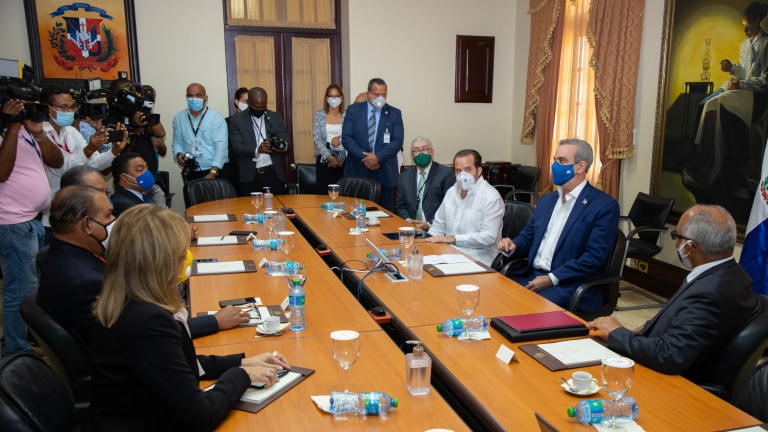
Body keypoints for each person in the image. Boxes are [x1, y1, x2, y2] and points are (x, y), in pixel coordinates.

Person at [88, 205, 290, 430]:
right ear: (163, 261)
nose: (187, 258)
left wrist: (241, 362)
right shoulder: (149, 323)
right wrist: (242, 375)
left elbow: (178, 365)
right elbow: (201, 417)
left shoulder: (128, 302)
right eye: (182, 252)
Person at [589, 205, 760, 382]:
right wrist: (646, 328)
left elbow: (670, 355)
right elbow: (689, 324)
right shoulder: (734, 274)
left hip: (671, 381)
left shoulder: (708, 292)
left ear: (689, 247)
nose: (676, 243)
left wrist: (617, 332)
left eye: (676, 236)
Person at [497, 139, 619, 311]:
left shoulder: (603, 206)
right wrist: (512, 246)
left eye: (562, 161)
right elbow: (528, 236)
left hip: (568, 285)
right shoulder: (547, 200)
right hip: (531, 275)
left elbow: (593, 258)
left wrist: (551, 278)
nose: (555, 166)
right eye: (555, 160)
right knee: (494, 295)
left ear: (581, 166)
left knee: (523, 309)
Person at [0, 98, 63, 357]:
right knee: (19, 291)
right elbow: (2, 173)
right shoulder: (8, 132)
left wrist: (39, 134)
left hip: (32, 221)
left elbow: (56, 162)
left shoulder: (27, 132)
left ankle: (22, 337)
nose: (27, 110)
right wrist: (13, 126)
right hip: (13, 223)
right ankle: (16, 351)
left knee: (32, 288)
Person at [685, 2, 768, 198]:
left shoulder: (766, 44)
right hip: (740, 88)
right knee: (704, 104)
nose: (745, 29)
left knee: (717, 104)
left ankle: (721, 169)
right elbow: (743, 70)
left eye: (749, 24)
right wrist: (732, 68)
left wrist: (741, 84)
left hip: (755, 95)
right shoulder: (745, 44)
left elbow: (765, 80)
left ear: (758, 20)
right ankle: (698, 156)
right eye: (744, 25)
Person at [41, 86, 126, 238]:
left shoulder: (71, 131)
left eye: (72, 107)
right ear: (47, 108)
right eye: (63, 107)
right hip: (54, 214)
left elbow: (94, 165)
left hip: (80, 212)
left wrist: (114, 151)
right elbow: (63, 170)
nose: (69, 111)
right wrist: (89, 149)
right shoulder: (40, 134)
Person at [37, 186, 114, 344]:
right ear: (87, 224)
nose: (114, 220)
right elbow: (113, 340)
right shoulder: (87, 284)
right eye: (108, 215)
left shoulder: (56, 251)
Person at [417, 149, 503, 266]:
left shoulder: (491, 197)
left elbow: (488, 237)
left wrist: (453, 239)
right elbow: (438, 226)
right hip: (449, 254)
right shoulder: (452, 192)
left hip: (479, 259)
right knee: (414, 266)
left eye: (468, 170)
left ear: (479, 171)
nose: (463, 175)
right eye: (458, 171)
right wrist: (425, 247)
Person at [341, 78, 404, 210]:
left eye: (384, 94)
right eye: (377, 94)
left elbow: (397, 141)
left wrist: (377, 157)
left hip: (385, 171)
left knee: (385, 215)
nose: (381, 98)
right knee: (356, 213)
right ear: (368, 94)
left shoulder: (394, 113)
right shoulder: (353, 110)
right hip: (357, 170)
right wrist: (367, 158)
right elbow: (347, 138)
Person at [106, 80, 168, 205]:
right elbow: (121, 152)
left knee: (161, 216)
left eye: (132, 91)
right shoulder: (112, 120)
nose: (131, 95)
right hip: (130, 185)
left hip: (151, 180)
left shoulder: (138, 113)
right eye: (127, 92)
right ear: (115, 94)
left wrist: (145, 109)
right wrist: (136, 128)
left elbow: (160, 133)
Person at [229, 87, 290, 196]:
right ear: (249, 103)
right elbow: (237, 147)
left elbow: (285, 140)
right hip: (250, 176)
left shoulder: (275, 117)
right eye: (257, 107)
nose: (260, 109)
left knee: (276, 205)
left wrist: (283, 146)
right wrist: (258, 149)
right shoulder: (237, 120)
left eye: (263, 106)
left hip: (273, 173)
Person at [171, 83, 228, 182]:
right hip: (191, 170)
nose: (194, 99)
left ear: (206, 98)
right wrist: (179, 154)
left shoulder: (216, 118)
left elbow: (221, 147)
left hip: (213, 170)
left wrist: (213, 172)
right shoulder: (179, 118)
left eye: (198, 95)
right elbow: (177, 142)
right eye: (190, 95)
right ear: (186, 97)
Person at [396, 137, 455, 224]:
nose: (421, 153)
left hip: (435, 227)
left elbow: (449, 206)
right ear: (412, 155)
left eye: (425, 149)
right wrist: (408, 220)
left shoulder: (446, 174)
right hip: (411, 226)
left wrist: (428, 224)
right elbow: (400, 206)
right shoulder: (404, 176)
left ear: (432, 152)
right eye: (416, 150)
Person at [313, 84, 346, 193]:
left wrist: (338, 160)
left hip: (341, 158)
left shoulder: (346, 115)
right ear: (326, 98)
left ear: (341, 97)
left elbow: (349, 139)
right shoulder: (319, 114)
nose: (334, 99)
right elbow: (317, 138)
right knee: (323, 193)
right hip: (324, 158)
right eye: (331, 96)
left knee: (341, 193)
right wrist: (328, 157)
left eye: (337, 96)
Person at [110, 152, 157, 217]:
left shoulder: (144, 197)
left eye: (147, 168)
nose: (147, 173)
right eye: (140, 169)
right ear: (124, 177)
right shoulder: (122, 206)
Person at [220, 87, 250, 186]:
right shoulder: (227, 122)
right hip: (233, 169)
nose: (248, 104)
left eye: (250, 101)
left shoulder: (256, 122)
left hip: (251, 168)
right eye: (245, 101)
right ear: (237, 102)